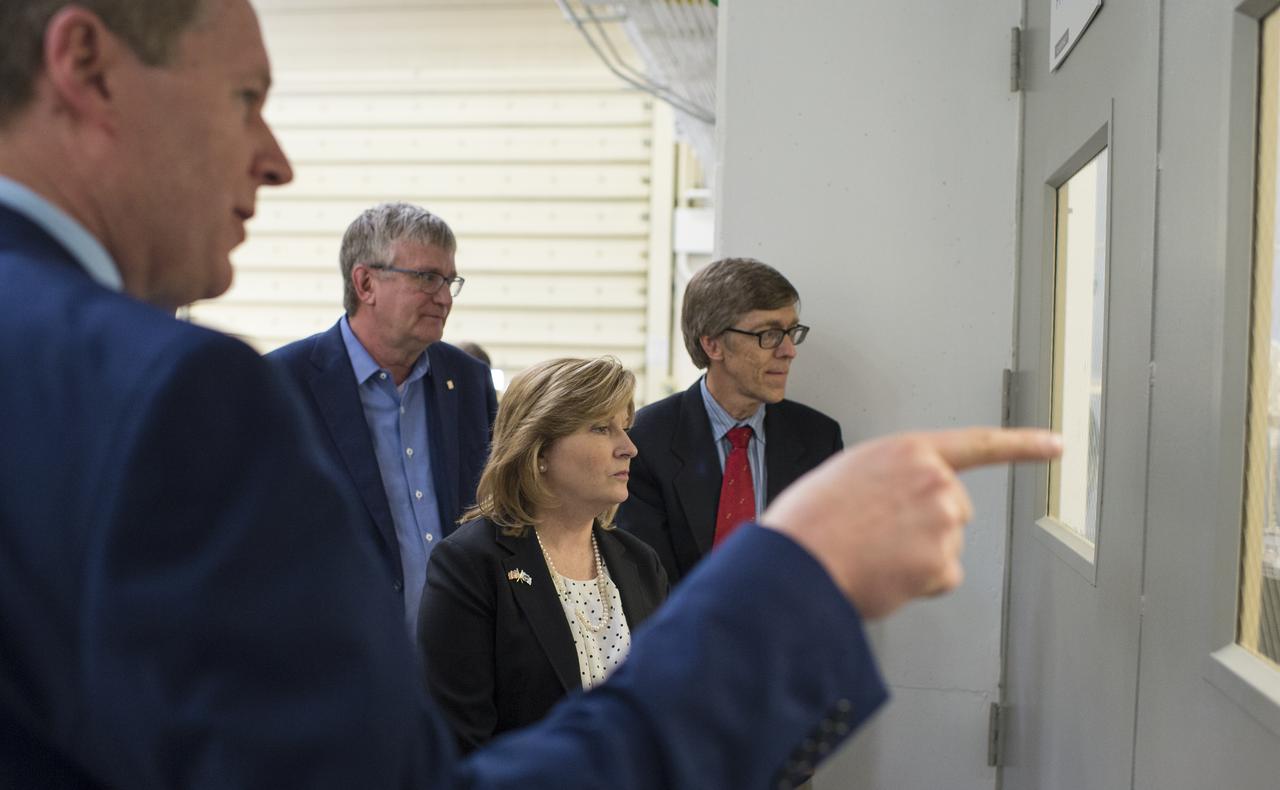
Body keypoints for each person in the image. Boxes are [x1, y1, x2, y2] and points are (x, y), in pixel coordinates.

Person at [0, 1, 1063, 786]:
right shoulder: (176, 397)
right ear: (84, 63)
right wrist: (799, 580)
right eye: (245, 97)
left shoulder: (505, 427)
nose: (274, 161)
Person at [268, 202, 497, 645]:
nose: (445, 297)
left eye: (450, 281)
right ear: (366, 282)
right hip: (338, 660)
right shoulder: (283, 385)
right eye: (427, 278)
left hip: (455, 669)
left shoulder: (466, 381)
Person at [420, 357, 667, 752]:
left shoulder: (641, 563)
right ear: (539, 452)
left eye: (627, 428)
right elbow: (458, 744)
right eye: (602, 428)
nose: (629, 448)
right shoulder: (470, 565)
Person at [617, 257, 844, 583]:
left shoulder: (819, 440)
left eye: (791, 332)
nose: (788, 351)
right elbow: (648, 586)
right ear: (712, 344)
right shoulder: (646, 441)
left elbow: (828, 568)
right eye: (768, 334)